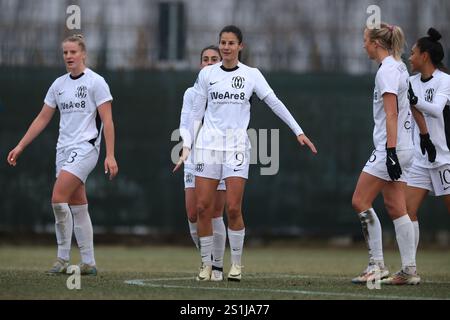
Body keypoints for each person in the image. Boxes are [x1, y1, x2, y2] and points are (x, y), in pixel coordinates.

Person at [175, 25, 317, 281]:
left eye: (231, 43)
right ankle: (206, 265)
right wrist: (187, 145)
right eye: (223, 42)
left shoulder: (252, 75)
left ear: (241, 46)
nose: (226, 47)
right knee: (203, 207)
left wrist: (298, 131)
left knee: (232, 208)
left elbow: (274, 102)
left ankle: (237, 264)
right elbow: (195, 113)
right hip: (208, 148)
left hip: (237, 148)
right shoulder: (207, 74)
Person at [7, 34, 118, 276]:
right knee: (78, 205)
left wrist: (110, 155)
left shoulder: (96, 82)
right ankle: (88, 262)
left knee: (58, 197)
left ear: (83, 54)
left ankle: (62, 258)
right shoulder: (58, 85)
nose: (68, 56)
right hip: (63, 150)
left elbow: (108, 121)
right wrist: (21, 145)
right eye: (65, 53)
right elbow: (42, 118)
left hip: (87, 147)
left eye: (73, 52)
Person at [351, 23, 420, 285]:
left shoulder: (387, 71)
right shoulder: (398, 64)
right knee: (396, 206)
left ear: (376, 44)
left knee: (360, 200)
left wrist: (390, 151)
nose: (363, 45)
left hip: (391, 148)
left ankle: (376, 265)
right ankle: (409, 270)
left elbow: (391, 113)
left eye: (366, 41)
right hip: (404, 147)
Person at [177, 45, 227, 281]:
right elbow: (186, 123)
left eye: (213, 59)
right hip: (194, 156)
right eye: (205, 59)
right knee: (193, 212)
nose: (209, 62)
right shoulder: (191, 93)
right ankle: (206, 260)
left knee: (215, 212)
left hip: (219, 155)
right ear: (200, 64)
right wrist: (185, 148)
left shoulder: (227, 91)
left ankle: (215, 267)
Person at [406, 28, 450, 260]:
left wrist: (415, 100)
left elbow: (435, 110)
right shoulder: (410, 81)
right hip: (420, 160)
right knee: (406, 211)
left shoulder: (445, 81)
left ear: (425, 56)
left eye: (413, 53)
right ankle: (409, 267)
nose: (409, 57)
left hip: (444, 159)